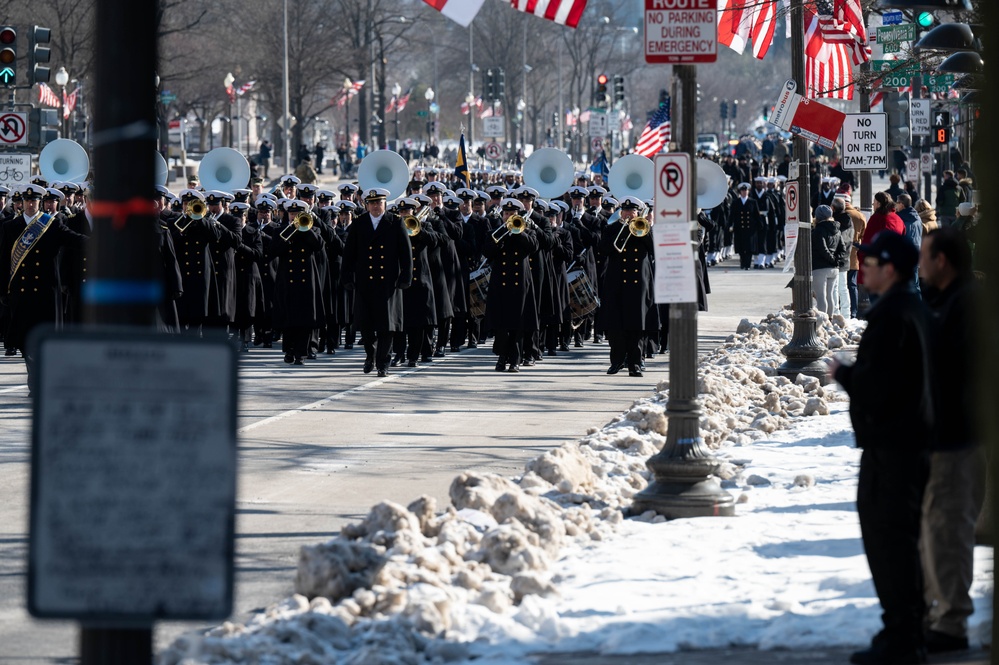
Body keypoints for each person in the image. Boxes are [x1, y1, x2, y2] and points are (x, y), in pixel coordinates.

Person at [830, 230, 933, 665]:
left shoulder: (893, 315)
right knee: (899, 540)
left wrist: (844, 374)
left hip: (894, 446)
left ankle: (903, 638)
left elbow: (881, 386)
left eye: (869, 263)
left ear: (889, 269)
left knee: (890, 541)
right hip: (906, 442)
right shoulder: (910, 307)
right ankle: (907, 630)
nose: (862, 268)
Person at [917, 227, 983, 654]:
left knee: (949, 529)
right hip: (941, 436)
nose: (919, 263)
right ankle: (941, 614)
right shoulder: (947, 302)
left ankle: (952, 622)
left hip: (956, 438)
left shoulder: (965, 306)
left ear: (942, 261)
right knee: (935, 530)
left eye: (925, 256)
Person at [340, 187, 413, 377]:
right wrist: (346, 276)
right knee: (366, 326)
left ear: (384, 204)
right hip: (365, 282)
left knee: (386, 327)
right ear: (366, 205)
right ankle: (370, 355)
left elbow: (406, 254)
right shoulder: (359, 224)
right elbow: (349, 253)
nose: (375, 206)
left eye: (378, 203)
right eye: (372, 203)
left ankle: (383, 363)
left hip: (388, 283)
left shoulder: (395, 222)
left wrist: (405, 277)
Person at [597, 196, 656, 377]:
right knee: (616, 325)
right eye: (626, 211)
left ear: (638, 213)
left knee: (637, 325)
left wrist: (647, 229)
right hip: (617, 283)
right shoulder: (611, 229)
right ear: (621, 212)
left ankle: (635, 363)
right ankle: (616, 361)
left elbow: (655, 249)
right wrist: (622, 229)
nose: (629, 214)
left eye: (633, 211)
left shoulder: (645, 229)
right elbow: (604, 249)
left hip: (639, 283)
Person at [810, 205, 845, 317]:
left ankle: (823, 321)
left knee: (821, 296)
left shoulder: (818, 230)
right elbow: (842, 248)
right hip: (834, 269)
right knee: (830, 296)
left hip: (820, 267)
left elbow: (822, 249)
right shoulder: (837, 230)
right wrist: (836, 260)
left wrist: (832, 259)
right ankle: (829, 319)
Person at [895, 193, 922, 293]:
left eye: (896, 203)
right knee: (915, 284)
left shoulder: (900, 218)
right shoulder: (918, 217)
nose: (895, 206)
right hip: (916, 252)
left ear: (901, 204)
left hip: (904, 254)